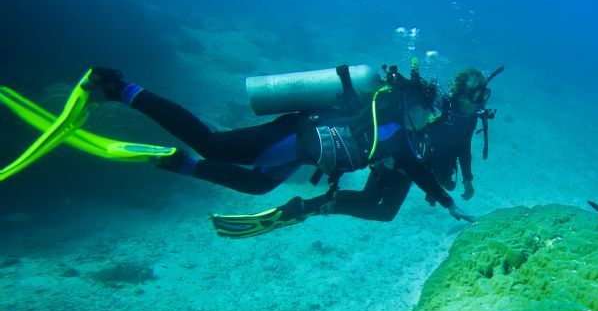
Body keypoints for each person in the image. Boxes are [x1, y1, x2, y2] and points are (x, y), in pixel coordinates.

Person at [86, 64, 476, 226]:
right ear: (415, 104)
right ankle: (120, 87)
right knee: (213, 144)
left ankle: (179, 162)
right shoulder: (391, 116)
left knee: (257, 184)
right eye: (426, 113)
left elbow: (401, 158)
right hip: (294, 139)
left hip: (302, 150)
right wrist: (447, 202)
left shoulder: (389, 117)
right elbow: (410, 162)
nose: (425, 122)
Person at [211, 67, 503, 238]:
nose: (481, 101)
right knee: (375, 204)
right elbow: (405, 133)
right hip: (397, 160)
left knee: (381, 211)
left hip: (411, 166)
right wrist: (438, 192)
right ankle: (305, 208)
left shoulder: (471, 117)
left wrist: (467, 177)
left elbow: (463, 145)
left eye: (484, 95)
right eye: (477, 94)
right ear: (460, 93)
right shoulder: (437, 108)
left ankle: (308, 207)